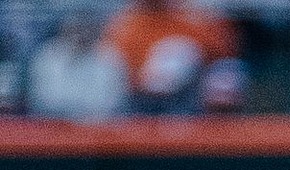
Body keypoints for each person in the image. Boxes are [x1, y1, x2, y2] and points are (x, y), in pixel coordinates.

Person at [103, 0, 237, 115]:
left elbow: (225, 55)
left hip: (191, 96)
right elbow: (122, 73)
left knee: (221, 75)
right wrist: (153, 79)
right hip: (140, 100)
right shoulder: (127, 23)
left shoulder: (197, 17)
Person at [28, 14, 130, 120]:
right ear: (64, 31)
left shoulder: (111, 58)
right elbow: (44, 100)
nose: (79, 36)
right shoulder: (47, 56)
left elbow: (106, 104)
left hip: (97, 127)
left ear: (94, 32)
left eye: (85, 30)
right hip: (51, 125)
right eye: (75, 30)